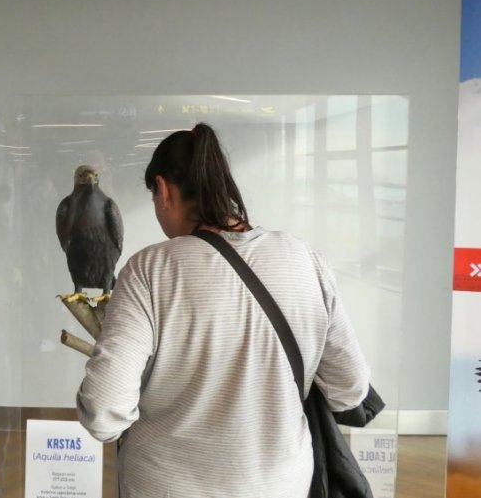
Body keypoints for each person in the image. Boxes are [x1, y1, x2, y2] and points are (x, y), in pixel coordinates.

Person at [75, 123, 370, 498]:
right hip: (280, 486)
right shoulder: (305, 260)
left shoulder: (149, 270)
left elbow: (103, 414)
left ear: (163, 191)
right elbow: (349, 390)